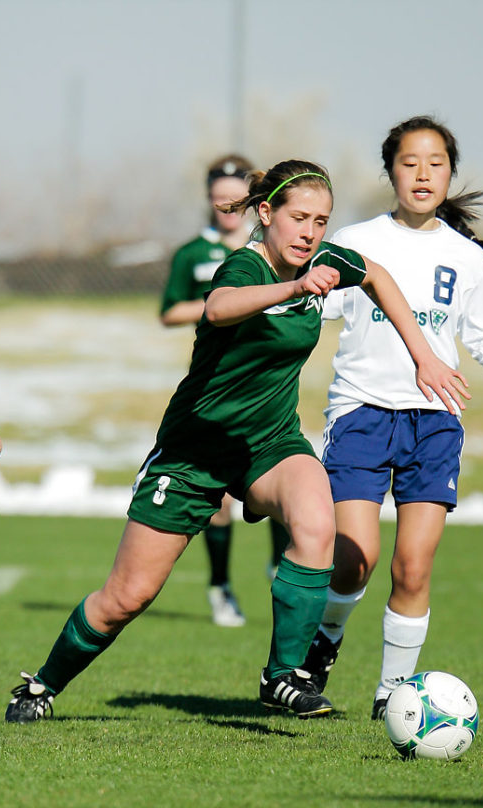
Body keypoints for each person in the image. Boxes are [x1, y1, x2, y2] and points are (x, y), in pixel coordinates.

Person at [6, 158, 469, 725]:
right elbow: (219, 308)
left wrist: (424, 354)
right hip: (194, 450)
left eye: (321, 221)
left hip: (270, 443)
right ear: (267, 213)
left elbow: (377, 276)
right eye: (299, 218)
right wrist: (294, 287)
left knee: (317, 520)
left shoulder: (324, 260)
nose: (311, 232)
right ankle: (41, 686)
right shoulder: (244, 268)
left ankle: (283, 676)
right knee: (128, 596)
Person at [302, 116, 483, 719]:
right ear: (390, 169)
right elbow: (320, 306)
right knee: (354, 558)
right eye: (410, 162)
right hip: (362, 411)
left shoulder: (467, 257)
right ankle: (326, 642)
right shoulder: (357, 238)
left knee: (412, 567)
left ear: (451, 172)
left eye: (436, 163)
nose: (423, 174)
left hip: (435, 421)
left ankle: (394, 695)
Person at [160, 153, 289, 626]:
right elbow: (169, 311)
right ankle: (220, 587)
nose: (224, 206)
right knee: (218, 500)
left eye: (233, 199)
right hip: (211, 386)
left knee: (286, 476)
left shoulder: (277, 253)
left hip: (261, 387)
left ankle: (280, 567)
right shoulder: (194, 253)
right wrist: (222, 304)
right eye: (217, 199)